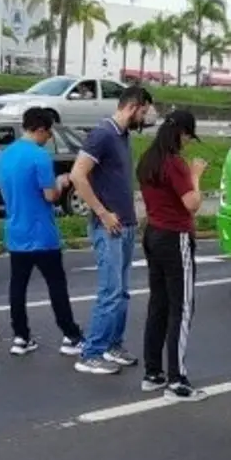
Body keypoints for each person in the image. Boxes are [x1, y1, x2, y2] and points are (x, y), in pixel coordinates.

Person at [70, 85, 154, 375]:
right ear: (133, 107)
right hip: (109, 226)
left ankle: (112, 344)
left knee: (122, 292)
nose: (144, 119)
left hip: (125, 224)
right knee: (110, 291)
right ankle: (91, 352)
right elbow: (77, 175)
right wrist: (103, 213)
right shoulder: (102, 134)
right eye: (144, 112)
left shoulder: (123, 136)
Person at [0, 107, 84, 357]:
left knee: (18, 286)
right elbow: (50, 196)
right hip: (42, 232)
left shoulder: (5, 155)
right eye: (49, 133)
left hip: (15, 229)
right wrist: (62, 181)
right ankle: (71, 334)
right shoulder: (40, 157)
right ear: (41, 129)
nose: (49, 138)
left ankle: (21, 336)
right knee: (56, 285)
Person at [137, 110, 209, 401]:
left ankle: (153, 372)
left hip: (153, 233)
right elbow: (192, 203)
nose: (189, 143)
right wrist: (196, 176)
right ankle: (177, 380)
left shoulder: (148, 159)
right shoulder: (174, 163)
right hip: (175, 236)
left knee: (159, 304)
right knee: (182, 308)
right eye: (189, 136)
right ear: (181, 133)